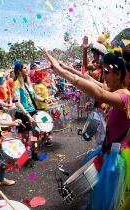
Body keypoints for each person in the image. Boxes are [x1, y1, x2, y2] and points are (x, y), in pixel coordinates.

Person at [44, 51, 130, 210]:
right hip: (108, 151)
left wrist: (62, 72)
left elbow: (99, 94)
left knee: (110, 201)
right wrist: (64, 67)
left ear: (118, 74)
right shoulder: (115, 90)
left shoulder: (124, 98)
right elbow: (89, 79)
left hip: (117, 158)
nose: (103, 77)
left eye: (106, 72)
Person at [12, 60, 48, 164]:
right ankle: (25, 158)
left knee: (35, 134)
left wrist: (44, 99)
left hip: (33, 112)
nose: (27, 69)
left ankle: (35, 153)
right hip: (23, 114)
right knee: (25, 137)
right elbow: (17, 103)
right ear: (19, 70)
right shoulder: (16, 84)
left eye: (26, 67)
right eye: (24, 68)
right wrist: (28, 116)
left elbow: (34, 96)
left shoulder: (28, 83)